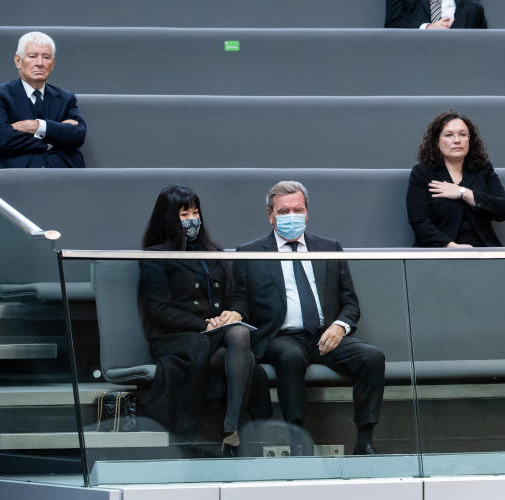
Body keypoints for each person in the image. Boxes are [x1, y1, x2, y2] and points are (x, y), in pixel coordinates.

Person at [231, 181, 385, 455]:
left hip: (326, 336)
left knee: (372, 358)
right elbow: (240, 301)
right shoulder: (250, 252)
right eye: (284, 211)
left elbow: (350, 302)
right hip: (280, 337)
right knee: (289, 357)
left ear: (306, 213)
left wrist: (340, 326)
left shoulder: (328, 247)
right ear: (271, 215)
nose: (292, 216)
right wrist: (234, 313)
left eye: (297, 209)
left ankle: (365, 440)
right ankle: (298, 440)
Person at [138, 185, 265, 451]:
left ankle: (231, 427)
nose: (193, 219)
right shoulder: (155, 256)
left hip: (217, 334)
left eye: (196, 212)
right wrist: (203, 324)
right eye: (185, 215)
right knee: (247, 357)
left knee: (239, 331)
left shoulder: (213, 252)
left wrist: (235, 312)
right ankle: (230, 430)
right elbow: (160, 310)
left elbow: (236, 294)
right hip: (178, 337)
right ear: (169, 217)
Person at [0, 31, 87, 184]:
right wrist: (55, 137)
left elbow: (78, 135)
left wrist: (37, 126)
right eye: (32, 56)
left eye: (46, 57)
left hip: (62, 178)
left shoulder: (66, 98)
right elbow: (2, 138)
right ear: (18, 61)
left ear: (52, 64)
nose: (40, 63)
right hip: (12, 176)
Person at [407, 110, 505, 247]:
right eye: (449, 135)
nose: (457, 140)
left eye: (463, 135)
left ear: (470, 140)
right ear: (437, 142)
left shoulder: (483, 169)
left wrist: (464, 193)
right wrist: (452, 247)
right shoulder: (422, 173)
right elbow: (419, 221)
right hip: (439, 252)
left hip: (483, 251)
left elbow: (503, 209)